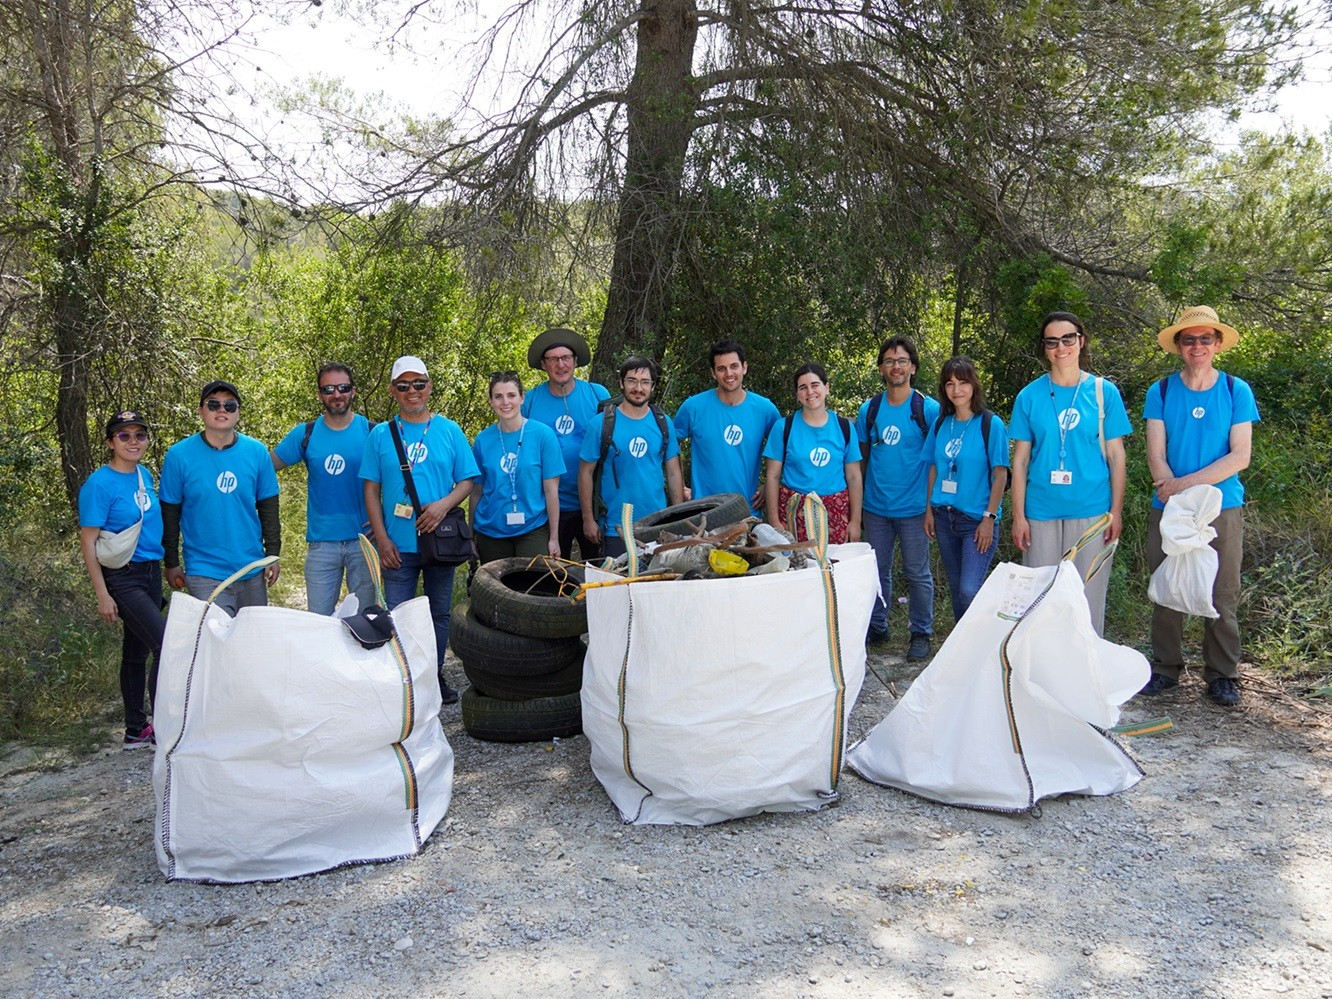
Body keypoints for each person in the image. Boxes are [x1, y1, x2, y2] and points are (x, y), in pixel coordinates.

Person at [1140, 306, 1258, 707]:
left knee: (1221, 591)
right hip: (1170, 506)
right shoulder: (1161, 391)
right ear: (1178, 345)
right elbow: (1155, 451)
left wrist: (1183, 486)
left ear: (1217, 343)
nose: (1197, 346)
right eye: (1188, 339)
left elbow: (1239, 456)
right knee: (1167, 583)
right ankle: (1165, 668)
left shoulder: (1234, 390)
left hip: (1221, 507)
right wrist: (1170, 489)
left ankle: (1223, 674)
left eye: (1205, 338)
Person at [360, 356, 479, 704]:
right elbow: (370, 489)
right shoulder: (381, 434)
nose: (412, 391)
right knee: (398, 614)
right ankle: (402, 678)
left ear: (429, 387)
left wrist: (443, 506)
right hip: (398, 543)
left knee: (438, 612)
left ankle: (434, 675)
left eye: (418, 384)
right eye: (403, 385)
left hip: (439, 541)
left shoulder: (449, 430)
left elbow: (468, 480)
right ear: (392, 391)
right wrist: (381, 538)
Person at [1009, 313, 1131, 637]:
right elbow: (1019, 461)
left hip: (1091, 509)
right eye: (1052, 341)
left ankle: (1084, 678)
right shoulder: (1029, 396)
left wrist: (1115, 513)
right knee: (1040, 601)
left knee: (1087, 601)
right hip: (1040, 511)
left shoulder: (1104, 392)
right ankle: (1042, 676)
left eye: (1067, 339)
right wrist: (1018, 515)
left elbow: (1117, 456)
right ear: (1045, 348)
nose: (1060, 347)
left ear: (1081, 340)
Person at [77, 411, 166, 750]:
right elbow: (88, 542)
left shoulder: (144, 474)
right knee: (165, 645)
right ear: (110, 441)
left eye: (139, 435)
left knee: (136, 651)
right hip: (122, 576)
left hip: (150, 570)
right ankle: (164, 726)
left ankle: (134, 730)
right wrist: (102, 592)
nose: (133, 442)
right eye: (124, 436)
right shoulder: (99, 484)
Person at [160, 381, 281, 616]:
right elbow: (170, 513)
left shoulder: (256, 452)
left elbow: (269, 508)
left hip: (251, 568)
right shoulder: (178, 455)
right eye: (213, 404)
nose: (222, 410)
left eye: (229, 405)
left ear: (238, 412)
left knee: (251, 643)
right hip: (204, 571)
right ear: (201, 411)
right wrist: (171, 561)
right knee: (216, 642)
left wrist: (272, 555)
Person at [856, 338, 940, 659]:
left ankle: (921, 632)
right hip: (876, 507)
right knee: (877, 571)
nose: (896, 366)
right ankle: (878, 625)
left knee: (918, 573)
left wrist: (932, 506)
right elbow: (861, 460)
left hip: (915, 508)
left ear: (913, 367)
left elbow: (937, 461)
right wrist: (860, 503)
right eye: (890, 361)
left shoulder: (927, 410)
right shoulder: (870, 409)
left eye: (902, 360)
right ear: (881, 368)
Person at [270, 362, 376, 614]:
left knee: (365, 620)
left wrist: (383, 528)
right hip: (321, 544)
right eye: (328, 389)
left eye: (343, 387)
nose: (336, 394)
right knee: (318, 623)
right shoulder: (306, 434)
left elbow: (395, 480)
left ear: (353, 391)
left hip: (364, 541)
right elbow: (265, 466)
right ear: (319, 394)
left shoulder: (373, 432)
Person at [922, 356, 1009, 622]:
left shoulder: (990, 424)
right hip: (944, 517)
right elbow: (935, 468)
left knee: (970, 589)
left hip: (976, 520)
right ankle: (964, 652)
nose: (956, 389)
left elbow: (1000, 475)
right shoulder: (941, 423)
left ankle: (986, 639)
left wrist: (989, 518)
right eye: (950, 384)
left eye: (962, 382)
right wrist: (928, 510)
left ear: (973, 385)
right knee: (957, 590)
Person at [578, 355, 684, 559]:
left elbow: (673, 472)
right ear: (621, 383)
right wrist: (587, 519)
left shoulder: (663, 423)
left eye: (645, 382)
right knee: (615, 586)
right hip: (615, 527)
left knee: (654, 585)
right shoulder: (601, 424)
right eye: (632, 381)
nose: (638, 388)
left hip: (656, 525)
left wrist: (677, 518)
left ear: (653, 386)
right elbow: (585, 473)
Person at [522, 327, 611, 560]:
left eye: (566, 358)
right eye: (553, 359)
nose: (560, 365)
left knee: (597, 570)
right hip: (547, 506)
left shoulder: (597, 394)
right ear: (543, 364)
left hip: (591, 503)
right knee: (554, 575)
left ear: (575, 361)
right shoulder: (530, 400)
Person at [672, 339, 780, 513]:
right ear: (713, 373)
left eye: (734, 366)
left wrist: (769, 485)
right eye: (721, 368)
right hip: (702, 513)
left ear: (744, 367)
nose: (729, 373)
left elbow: (785, 450)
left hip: (747, 512)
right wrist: (681, 486)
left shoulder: (765, 410)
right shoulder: (693, 407)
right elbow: (670, 442)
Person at [469, 371, 565, 564]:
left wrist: (554, 537)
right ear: (491, 401)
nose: (505, 402)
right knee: (496, 591)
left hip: (532, 527)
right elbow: (477, 492)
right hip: (491, 530)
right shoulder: (482, 440)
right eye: (498, 396)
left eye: (511, 395)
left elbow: (551, 491)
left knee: (532, 587)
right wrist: (470, 536)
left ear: (522, 397)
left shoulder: (543, 435)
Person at [762, 363, 863, 545]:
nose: (810, 392)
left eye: (815, 385)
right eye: (803, 388)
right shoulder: (783, 428)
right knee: (799, 569)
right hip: (793, 513)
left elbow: (854, 477)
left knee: (834, 569)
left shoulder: (845, 428)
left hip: (836, 513)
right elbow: (772, 476)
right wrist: (774, 520)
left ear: (826, 388)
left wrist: (855, 521)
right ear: (797, 395)